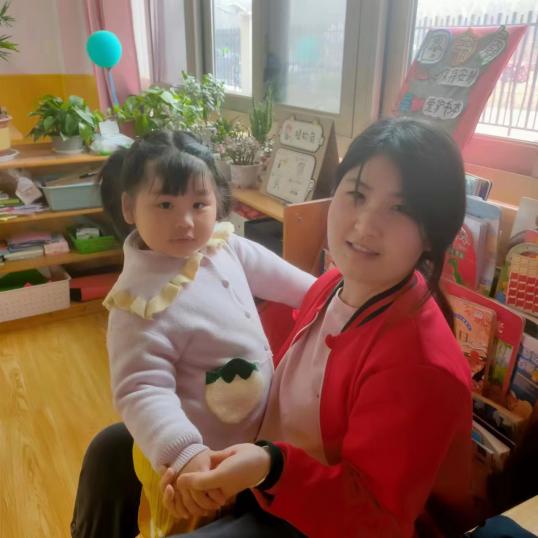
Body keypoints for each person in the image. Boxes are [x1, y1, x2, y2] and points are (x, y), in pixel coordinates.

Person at [71, 118, 473, 538]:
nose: (364, 226)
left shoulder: (419, 367)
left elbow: (376, 520)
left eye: (400, 209)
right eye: (357, 195)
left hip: (320, 509)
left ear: (433, 233)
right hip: (267, 455)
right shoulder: (336, 285)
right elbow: (144, 387)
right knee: (110, 450)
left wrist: (270, 468)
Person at [70, 130, 315, 538]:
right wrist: (184, 452)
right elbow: (141, 390)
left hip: (249, 442)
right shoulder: (139, 302)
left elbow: (299, 286)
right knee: (188, 526)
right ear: (129, 207)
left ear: (217, 200)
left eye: (199, 205)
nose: (185, 222)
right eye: (165, 204)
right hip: (193, 465)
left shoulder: (224, 247)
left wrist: (336, 295)